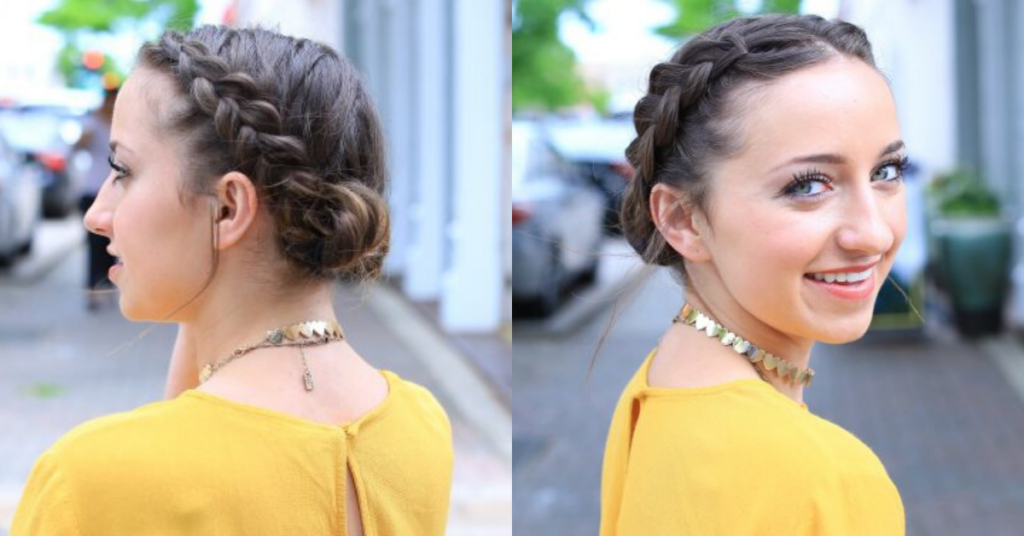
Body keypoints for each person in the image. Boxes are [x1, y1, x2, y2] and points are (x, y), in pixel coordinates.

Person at [13, 25, 453, 535]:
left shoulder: (90, 481)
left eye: (123, 170)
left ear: (228, 207)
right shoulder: (422, 426)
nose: (97, 214)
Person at [601, 14, 906, 535]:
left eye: (885, 173)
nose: (873, 234)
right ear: (681, 219)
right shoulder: (826, 479)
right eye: (809, 185)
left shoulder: (657, 388)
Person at [76, 88, 119, 311]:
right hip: (92, 191)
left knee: (112, 245)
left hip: (116, 194)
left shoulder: (121, 124)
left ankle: (107, 285)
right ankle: (93, 289)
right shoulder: (92, 122)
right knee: (93, 245)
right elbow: (77, 147)